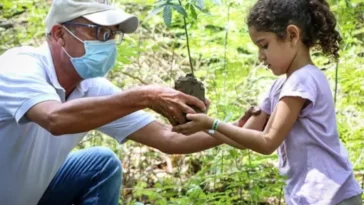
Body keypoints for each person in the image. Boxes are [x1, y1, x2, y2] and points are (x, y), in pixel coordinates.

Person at [0, 0, 258, 204]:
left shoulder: (91, 87)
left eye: (113, 35)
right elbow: (54, 118)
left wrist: (234, 130)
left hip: (30, 196)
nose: (109, 44)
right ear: (59, 34)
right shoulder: (19, 66)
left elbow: (170, 139)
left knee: (101, 164)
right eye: (100, 33)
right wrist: (145, 96)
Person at [173, 0, 363, 204]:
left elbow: (267, 142)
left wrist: (211, 124)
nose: (260, 56)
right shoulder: (281, 85)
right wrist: (204, 125)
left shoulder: (303, 80)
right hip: (312, 196)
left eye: (264, 45)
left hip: (331, 195)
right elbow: (246, 138)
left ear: (292, 35)